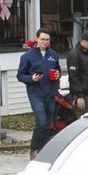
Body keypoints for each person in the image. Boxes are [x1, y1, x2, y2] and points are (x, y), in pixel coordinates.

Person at [16, 30, 61, 160]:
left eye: (47, 40)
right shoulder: (28, 56)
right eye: (42, 39)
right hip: (36, 94)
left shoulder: (53, 54)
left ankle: (44, 150)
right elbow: (20, 75)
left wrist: (57, 75)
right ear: (37, 39)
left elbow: (57, 70)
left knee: (49, 124)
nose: (45, 42)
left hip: (51, 93)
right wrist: (32, 78)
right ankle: (34, 149)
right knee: (41, 122)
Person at [67, 32, 88, 114]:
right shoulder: (74, 54)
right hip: (82, 94)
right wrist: (78, 96)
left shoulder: (87, 53)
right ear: (83, 41)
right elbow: (73, 76)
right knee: (84, 121)